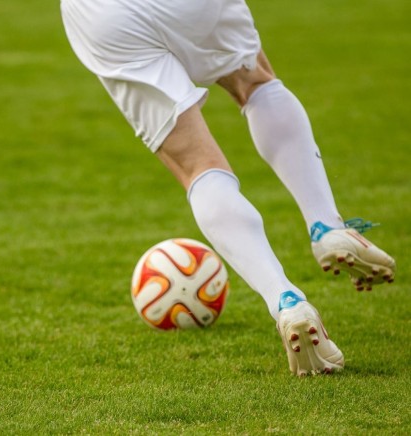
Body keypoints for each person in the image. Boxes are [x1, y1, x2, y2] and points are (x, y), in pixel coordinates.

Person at [60, 0, 396, 375]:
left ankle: (284, 299)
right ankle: (326, 225)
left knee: (197, 165)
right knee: (253, 81)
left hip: (105, 15)